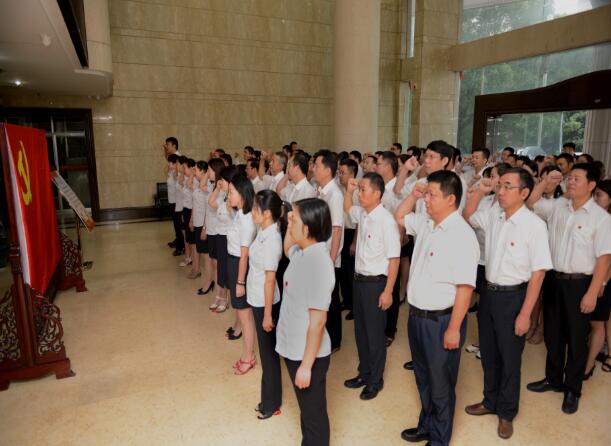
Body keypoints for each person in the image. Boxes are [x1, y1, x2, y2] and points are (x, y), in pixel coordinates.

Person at [463, 167, 552, 439]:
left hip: (514, 298)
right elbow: (467, 216)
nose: (500, 191)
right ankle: (490, 401)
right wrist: (480, 192)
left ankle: (506, 412)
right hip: (489, 294)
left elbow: (538, 273)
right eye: (499, 185)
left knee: (510, 358)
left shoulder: (534, 225)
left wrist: (525, 314)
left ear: (524, 193)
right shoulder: (495, 215)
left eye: (507, 186)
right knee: (489, 353)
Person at [395, 170, 479, 446]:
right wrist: (413, 194)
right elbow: (399, 216)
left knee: (441, 384)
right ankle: (426, 425)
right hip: (417, 317)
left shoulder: (462, 235)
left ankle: (440, 439)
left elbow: (465, 288)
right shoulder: (427, 223)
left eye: (432, 195)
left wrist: (454, 328)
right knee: (423, 378)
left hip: (442, 321)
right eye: (426, 194)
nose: (426, 199)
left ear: (451, 199)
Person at [526, 163, 611, 414]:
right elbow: (530, 201)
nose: (571, 182)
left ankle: (572, 388)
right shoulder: (558, 206)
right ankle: (553, 379)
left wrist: (593, 292)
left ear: (591, 185)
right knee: (553, 333)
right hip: (554, 279)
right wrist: (545, 182)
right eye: (569, 178)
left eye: (577, 178)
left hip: (580, 283)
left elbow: (604, 259)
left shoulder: (601, 218)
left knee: (576, 338)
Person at [276, 198, 335, 446]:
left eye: (294, 221)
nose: (290, 224)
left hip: (307, 355)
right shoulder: (303, 252)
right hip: (295, 348)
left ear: (308, 228)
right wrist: (290, 218)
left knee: (314, 417)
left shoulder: (319, 264)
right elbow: (286, 248)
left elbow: (318, 322)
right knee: (307, 411)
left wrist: (306, 366)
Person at [343, 173, 400, 400]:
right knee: (360, 331)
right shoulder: (363, 214)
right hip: (359, 281)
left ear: (377, 194)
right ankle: (364, 372)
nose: (360, 193)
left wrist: (388, 291)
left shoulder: (386, 221)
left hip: (376, 284)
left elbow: (394, 259)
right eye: (360, 189)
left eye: (363, 189)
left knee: (375, 335)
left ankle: (375, 380)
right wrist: (349, 191)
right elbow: (348, 208)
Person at [248, 190, 285, 419]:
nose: (252, 212)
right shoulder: (263, 231)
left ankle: (272, 404)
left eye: (255, 209)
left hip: (266, 303)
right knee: (266, 353)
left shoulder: (272, 239)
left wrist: (268, 315)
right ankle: (268, 397)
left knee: (269, 355)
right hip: (257, 297)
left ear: (268, 213)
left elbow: (270, 279)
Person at [313, 150, 345, 352]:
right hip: (319, 253)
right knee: (322, 298)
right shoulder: (320, 190)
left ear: (327, 170)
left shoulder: (335, 194)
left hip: (329, 256)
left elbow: (337, 229)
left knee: (331, 300)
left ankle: (335, 340)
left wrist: (331, 261)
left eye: (316, 166)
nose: (313, 169)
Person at [226, 175, 257, 375]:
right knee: (241, 312)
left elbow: (244, 255)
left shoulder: (247, 220)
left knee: (245, 316)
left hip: (240, 265)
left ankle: (248, 357)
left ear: (242, 194)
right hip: (233, 262)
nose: (228, 196)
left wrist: (240, 282)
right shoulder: (239, 213)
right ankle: (247, 354)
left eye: (231, 192)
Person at [584, 179, 611, 377]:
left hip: (605, 279)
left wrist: (602, 282)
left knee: (597, 322)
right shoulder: (595, 218)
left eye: (599, 195)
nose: (594, 199)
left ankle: (588, 365)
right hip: (591, 275)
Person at [207, 165, 239, 313]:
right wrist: (218, 189)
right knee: (221, 268)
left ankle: (224, 298)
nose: (221, 182)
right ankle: (220, 295)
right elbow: (211, 202)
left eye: (223, 180)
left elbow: (235, 218)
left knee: (226, 269)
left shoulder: (234, 198)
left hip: (229, 238)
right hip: (220, 235)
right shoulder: (224, 195)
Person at [337, 158, 359, 320]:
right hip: (342, 232)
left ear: (352, 174)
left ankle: (354, 306)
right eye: (339, 172)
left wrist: (354, 243)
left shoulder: (357, 192)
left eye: (343, 173)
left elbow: (359, 221)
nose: (340, 175)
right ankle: (346, 300)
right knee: (343, 271)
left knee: (351, 273)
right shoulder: (340, 190)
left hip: (353, 234)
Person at [189, 161, 208, 280]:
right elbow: (194, 204)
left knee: (205, 253)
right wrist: (191, 219)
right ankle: (196, 269)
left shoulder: (206, 187)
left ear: (203, 171)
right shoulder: (198, 185)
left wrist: (204, 228)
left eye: (196, 170)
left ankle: (208, 278)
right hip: (196, 221)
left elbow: (208, 210)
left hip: (202, 223)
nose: (194, 172)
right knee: (196, 247)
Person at [179, 158, 196, 268]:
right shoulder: (187, 179)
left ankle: (192, 259)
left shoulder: (194, 181)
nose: (183, 170)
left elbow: (194, 201)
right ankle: (188, 257)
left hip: (191, 210)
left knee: (191, 238)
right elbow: (180, 182)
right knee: (187, 237)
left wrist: (192, 174)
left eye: (185, 168)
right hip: (185, 209)